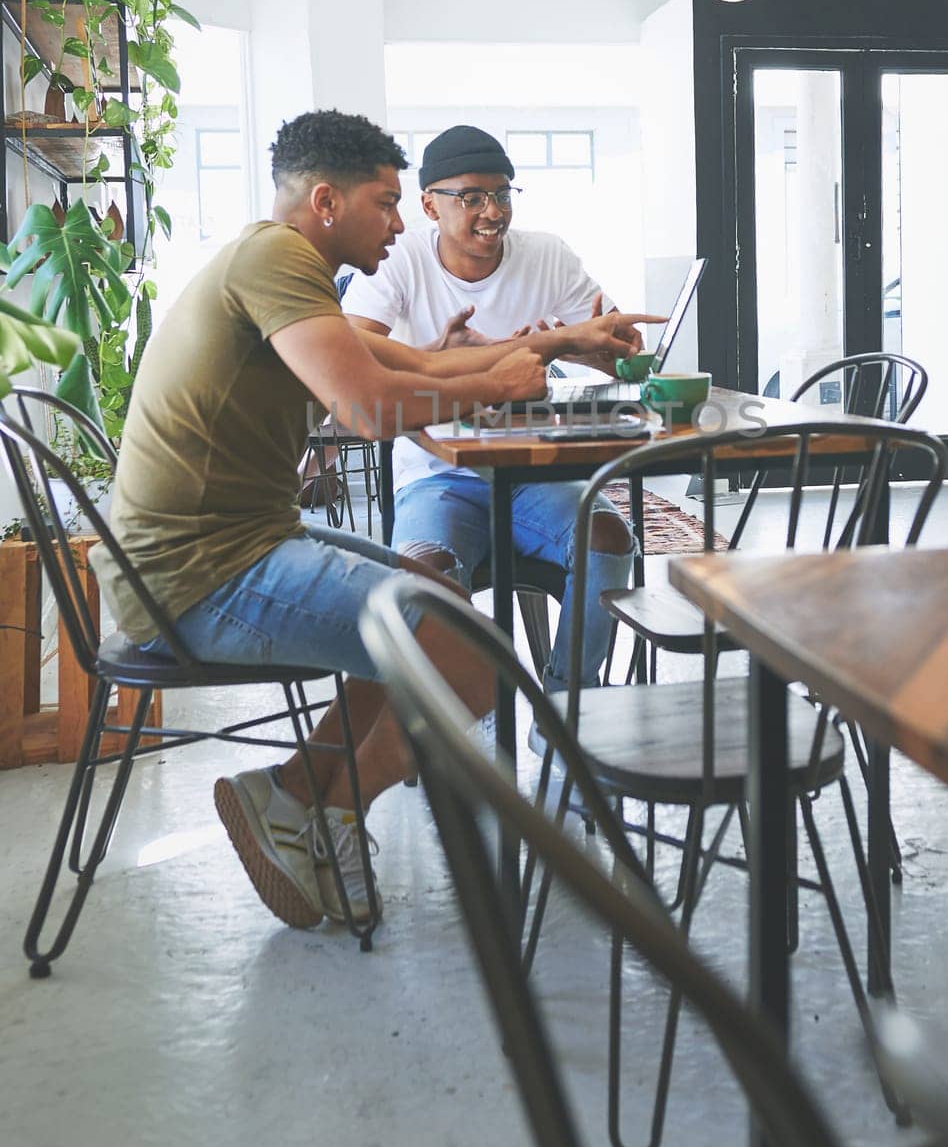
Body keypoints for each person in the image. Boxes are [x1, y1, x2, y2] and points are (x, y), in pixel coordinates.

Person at [91, 109, 654, 931]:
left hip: (217, 553)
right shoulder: (277, 257)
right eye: (387, 203)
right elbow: (365, 406)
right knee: (476, 657)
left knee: (423, 588)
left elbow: (418, 361)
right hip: (201, 578)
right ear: (326, 201)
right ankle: (326, 811)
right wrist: (494, 387)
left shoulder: (283, 266)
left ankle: (286, 795)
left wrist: (563, 339)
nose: (400, 223)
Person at [344, 124, 652, 699]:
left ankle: (568, 706)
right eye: (472, 198)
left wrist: (592, 346)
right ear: (429, 204)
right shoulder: (399, 258)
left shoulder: (548, 255)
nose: (493, 211)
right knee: (425, 571)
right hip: (438, 475)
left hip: (535, 473)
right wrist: (472, 359)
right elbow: (354, 362)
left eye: (503, 194)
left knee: (610, 537)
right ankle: (455, 732)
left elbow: (623, 352)